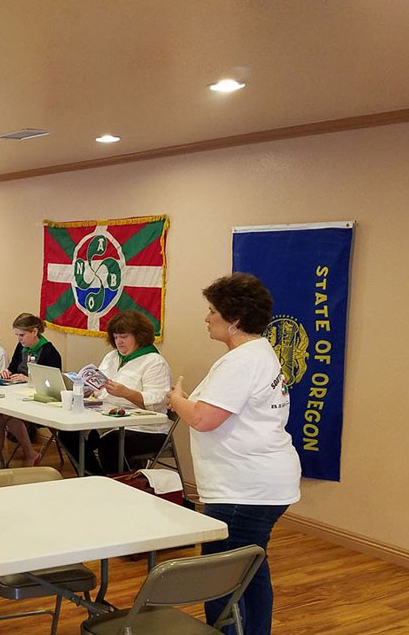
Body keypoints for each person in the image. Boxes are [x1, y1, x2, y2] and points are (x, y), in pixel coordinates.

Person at [167, 272, 301, 635]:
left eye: (213, 311)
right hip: (257, 482)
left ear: (235, 321)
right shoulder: (258, 353)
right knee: (250, 567)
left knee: (222, 573)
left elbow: (203, 418)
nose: (207, 318)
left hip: (246, 488)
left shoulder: (241, 362)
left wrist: (176, 399)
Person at [59, 310, 172, 475]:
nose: (119, 342)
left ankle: (120, 486)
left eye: (124, 337)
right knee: (68, 434)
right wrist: (90, 390)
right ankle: (95, 478)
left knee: (111, 443)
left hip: (146, 427)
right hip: (107, 420)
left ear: (139, 336)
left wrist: (126, 393)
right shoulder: (112, 357)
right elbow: (102, 389)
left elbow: (156, 403)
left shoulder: (154, 362)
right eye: (116, 337)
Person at [0, 313, 62, 470]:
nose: (19, 339)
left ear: (35, 331)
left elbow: (53, 384)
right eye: (17, 335)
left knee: (7, 413)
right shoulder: (22, 347)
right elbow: (13, 367)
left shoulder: (49, 352)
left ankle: (29, 452)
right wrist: (7, 372)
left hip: (41, 400)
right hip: (19, 394)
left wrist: (29, 380)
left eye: (22, 335)